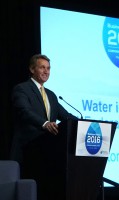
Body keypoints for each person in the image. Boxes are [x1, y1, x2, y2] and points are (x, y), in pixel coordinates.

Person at [10, 54, 78, 200]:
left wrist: (84, 123)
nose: (46, 71)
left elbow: (66, 116)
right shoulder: (22, 89)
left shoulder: (51, 95)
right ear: (32, 69)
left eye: (48, 68)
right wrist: (45, 124)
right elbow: (24, 111)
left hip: (48, 156)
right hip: (28, 153)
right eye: (42, 67)